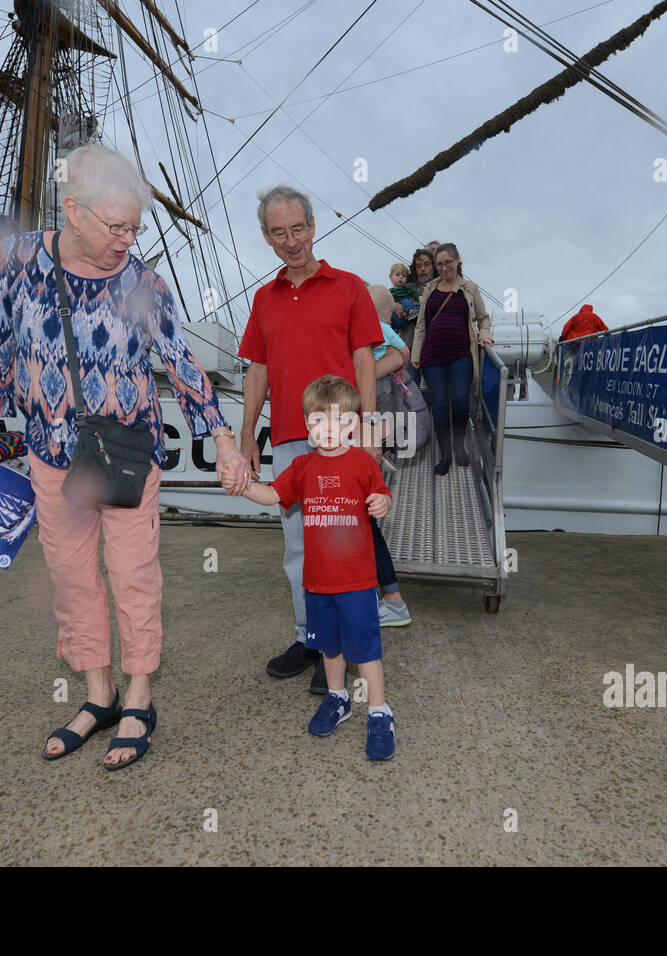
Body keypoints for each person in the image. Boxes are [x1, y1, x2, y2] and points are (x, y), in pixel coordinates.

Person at [0, 143, 243, 770]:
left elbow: (183, 363)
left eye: (135, 227)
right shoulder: (20, 259)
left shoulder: (143, 282)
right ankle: (99, 695)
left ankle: (140, 694)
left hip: (126, 454)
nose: (127, 239)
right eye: (116, 226)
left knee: (134, 575)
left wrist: (222, 438)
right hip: (52, 455)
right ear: (73, 210)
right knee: (72, 578)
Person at [228, 184, 383, 695]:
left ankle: (343, 647)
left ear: (313, 227)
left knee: (343, 546)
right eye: (278, 232)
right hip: (293, 440)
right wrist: (249, 433)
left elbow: (365, 360)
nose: (291, 240)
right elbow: (258, 370)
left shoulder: (350, 287)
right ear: (267, 237)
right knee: (299, 551)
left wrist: (370, 427)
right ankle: (314, 639)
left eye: (298, 229)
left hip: (343, 439)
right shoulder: (263, 299)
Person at [237, 375, 396, 760]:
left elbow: (382, 493)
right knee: (329, 645)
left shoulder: (361, 462)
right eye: (319, 421)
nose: (329, 430)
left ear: (353, 426)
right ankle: (338, 699)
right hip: (318, 582)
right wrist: (243, 485)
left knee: (366, 650)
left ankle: (379, 711)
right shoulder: (303, 467)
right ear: (308, 425)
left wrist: (381, 503)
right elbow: (272, 493)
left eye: (339, 421)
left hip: (357, 581)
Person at [411, 242, 493, 476]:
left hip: (461, 356)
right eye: (440, 264)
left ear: (458, 261)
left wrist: (485, 336)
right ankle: (445, 454)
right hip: (432, 357)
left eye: (448, 262)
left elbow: (483, 318)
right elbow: (420, 325)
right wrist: (416, 355)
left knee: (459, 402)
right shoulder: (430, 288)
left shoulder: (469, 288)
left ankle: (459, 445)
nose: (445, 267)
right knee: (439, 406)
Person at [367, 285, 414, 627]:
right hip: (374, 415)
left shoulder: (376, 330)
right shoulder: (381, 331)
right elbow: (404, 352)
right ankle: (388, 599)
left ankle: (392, 601)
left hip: (368, 418)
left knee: (365, 522)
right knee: (365, 522)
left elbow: (402, 353)